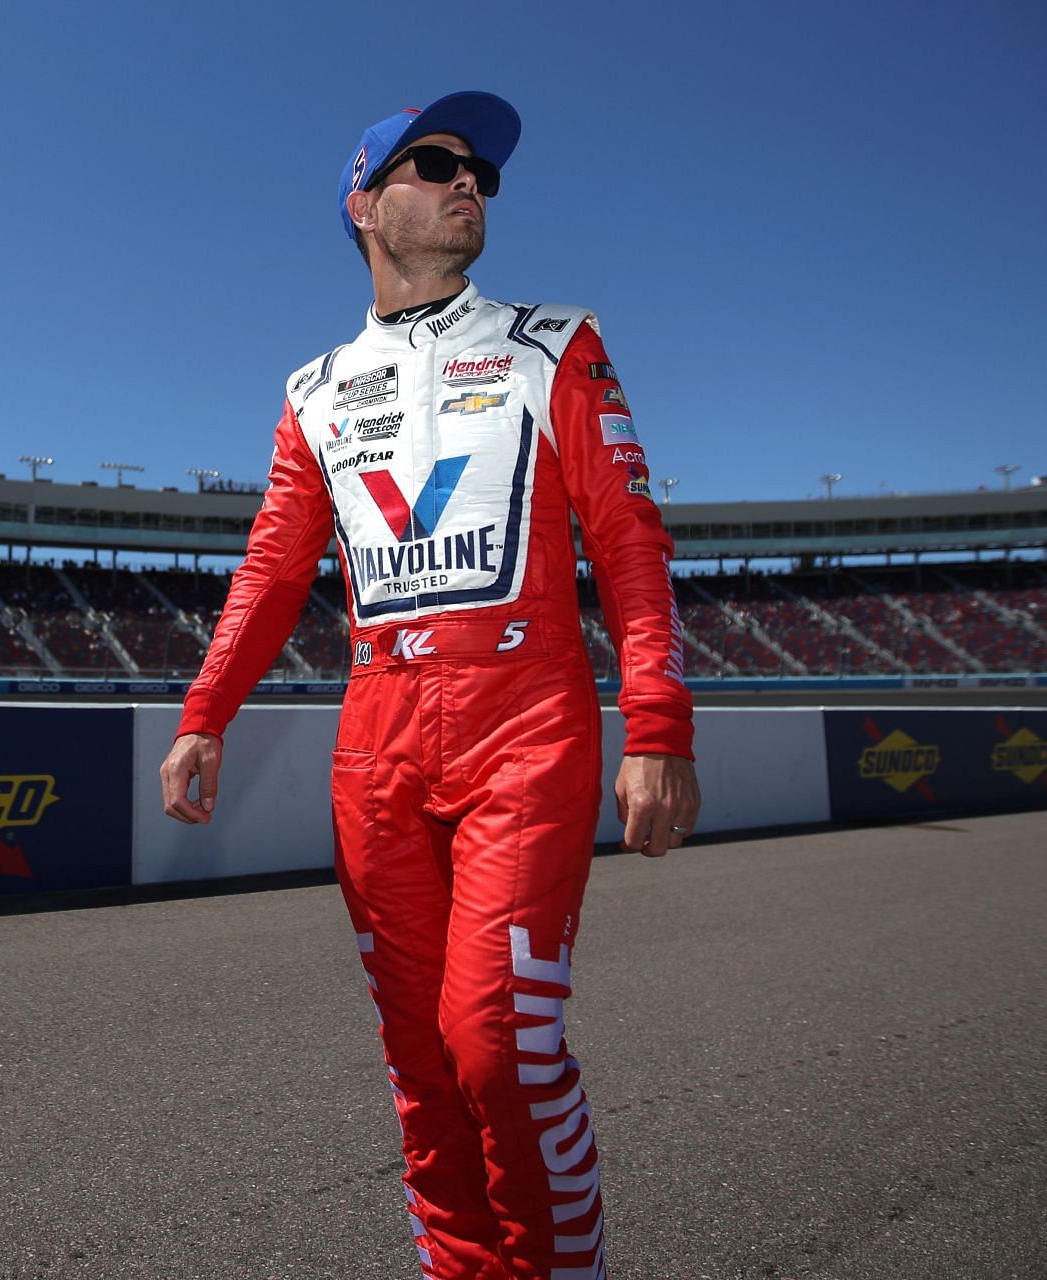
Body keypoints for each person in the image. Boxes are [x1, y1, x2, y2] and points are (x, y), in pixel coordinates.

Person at [158, 91, 701, 1280]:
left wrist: (657, 720)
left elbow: (630, 542)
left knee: (496, 1043)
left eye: (483, 175)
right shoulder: (312, 388)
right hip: (378, 745)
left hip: (526, 725)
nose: (471, 183)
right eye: (438, 163)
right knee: (419, 1061)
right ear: (365, 205)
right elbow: (270, 563)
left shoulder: (555, 342)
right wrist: (204, 714)